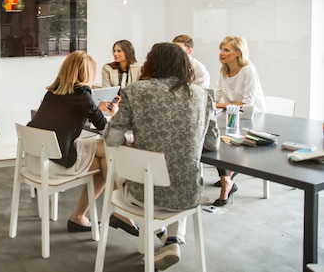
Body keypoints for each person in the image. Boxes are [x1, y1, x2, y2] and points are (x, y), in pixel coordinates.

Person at [103, 42, 220, 271]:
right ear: (185, 65)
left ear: (151, 63)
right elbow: (211, 142)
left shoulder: (136, 91)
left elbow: (111, 138)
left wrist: (130, 138)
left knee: (142, 175)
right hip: (188, 192)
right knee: (178, 172)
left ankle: (164, 237)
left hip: (143, 193)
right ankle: (173, 240)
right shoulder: (202, 96)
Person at [28, 51, 137, 235]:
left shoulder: (53, 91)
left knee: (105, 154)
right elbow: (107, 131)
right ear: (86, 73)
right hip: (54, 164)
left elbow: (68, 116)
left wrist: (93, 107)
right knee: (108, 160)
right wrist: (115, 112)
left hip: (35, 160)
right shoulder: (82, 97)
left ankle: (84, 217)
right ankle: (121, 210)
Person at [212, 35, 266, 207]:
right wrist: (222, 105)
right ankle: (227, 178)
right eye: (221, 49)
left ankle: (226, 182)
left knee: (225, 140)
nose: (221, 53)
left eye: (226, 50)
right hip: (231, 115)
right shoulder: (223, 70)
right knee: (214, 138)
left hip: (252, 118)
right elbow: (216, 96)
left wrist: (221, 104)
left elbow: (247, 104)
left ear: (237, 53)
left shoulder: (248, 70)